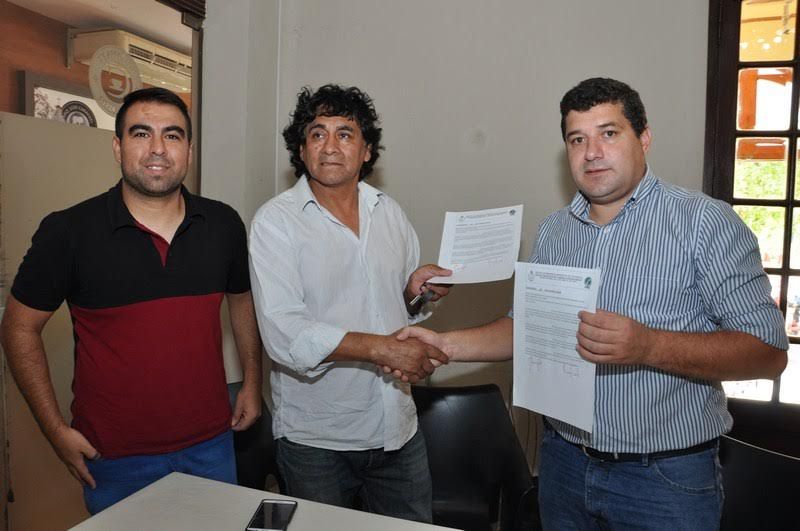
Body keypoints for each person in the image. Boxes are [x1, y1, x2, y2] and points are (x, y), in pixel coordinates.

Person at [396, 77, 788, 530]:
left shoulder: (704, 222)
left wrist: (648, 346)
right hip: (564, 464)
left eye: (609, 133)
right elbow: (526, 326)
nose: (592, 152)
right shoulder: (555, 231)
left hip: (664, 478)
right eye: (577, 139)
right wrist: (443, 345)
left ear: (644, 138)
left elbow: (768, 353)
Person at [0, 87, 263, 514]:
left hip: (212, 446)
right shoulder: (68, 232)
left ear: (190, 151)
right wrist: (54, 430)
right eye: (141, 134)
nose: (157, 148)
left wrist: (252, 381)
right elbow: (17, 327)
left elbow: (241, 300)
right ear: (118, 147)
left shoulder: (223, 225)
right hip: (115, 459)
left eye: (172, 135)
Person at [248, 84, 451, 523]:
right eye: (317, 133)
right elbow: (283, 333)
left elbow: (399, 305)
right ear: (302, 150)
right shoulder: (275, 222)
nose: (330, 146)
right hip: (317, 441)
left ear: (366, 150)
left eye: (345, 133)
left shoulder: (389, 212)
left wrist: (416, 292)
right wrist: (381, 349)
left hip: (398, 427)